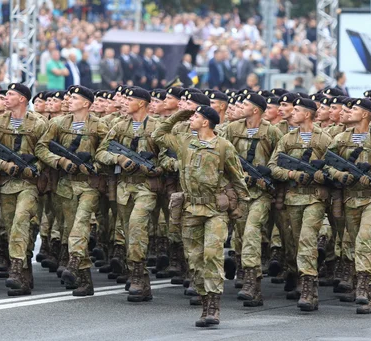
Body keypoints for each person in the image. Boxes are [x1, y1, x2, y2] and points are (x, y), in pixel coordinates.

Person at [152, 105, 249, 327]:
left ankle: (213, 307)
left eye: (195, 116)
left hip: (215, 210)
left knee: (212, 256)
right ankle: (205, 303)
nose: (191, 119)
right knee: (194, 260)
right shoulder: (185, 142)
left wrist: (240, 208)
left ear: (206, 122)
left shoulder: (223, 146)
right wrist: (180, 115)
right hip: (191, 209)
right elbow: (158, 134)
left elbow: (238, 178)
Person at [37, 85, 108, 296]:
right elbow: (41, 147)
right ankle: (85, 281)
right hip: (65, 185)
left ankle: (73, 264)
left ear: (86, 103)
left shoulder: (99, 126)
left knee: (80, 227)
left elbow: (107, 151)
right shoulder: (59, 123)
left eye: (74, 97)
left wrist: (95, 165)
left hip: (88, 185)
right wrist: (59, 161)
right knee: (71, 232)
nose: (69, 100)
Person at [325, 98, 371, 314]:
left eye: (354, 109)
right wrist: (341, 175)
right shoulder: (341, 138)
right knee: (355, 246)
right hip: (350, 200)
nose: (349, 111)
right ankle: (362, 290)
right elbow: (327, 163)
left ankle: (365, 291)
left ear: (365, 114)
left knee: (364, 243)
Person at [0, 83, 48, 296]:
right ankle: (24, 268)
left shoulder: (38, 123)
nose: (5, 98)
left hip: (28, 184)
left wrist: (36, 168)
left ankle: (16, 271)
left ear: (23, 99)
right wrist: (3, 165)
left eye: (11, 94)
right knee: (10, 230)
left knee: (20, 222)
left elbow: (45, 152)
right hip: (6, 183)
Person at [95, 88, 160, 302]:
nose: (125, 102)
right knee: (128, 231)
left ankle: (138, 276)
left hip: (146, 188)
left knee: (136, 228)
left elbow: (170, 156)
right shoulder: (120, 126)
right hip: (124, 188)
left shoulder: (156, 127)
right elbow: (101, 152)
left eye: (130, 99)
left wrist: (157, 168)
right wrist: (119, 159)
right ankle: (138, 277)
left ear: (142, 103)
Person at [267, 97, 332, 311]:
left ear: (307, 114)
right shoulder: (287, 139)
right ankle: (299, 278)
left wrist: (319, 176)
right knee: (295, 243)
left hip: (314, 198)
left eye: (296, 110)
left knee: (306, 240)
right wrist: (292, 173)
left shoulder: (325, 139)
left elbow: (334, 169)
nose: (291, 113)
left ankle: (308, 290)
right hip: (293, 198)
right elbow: (272, 167)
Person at [223, 93, 282, 306]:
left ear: (256, 109)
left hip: (261, 194)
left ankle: (252, 283)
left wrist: (268, 178)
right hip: (240, 194)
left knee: (251, 234)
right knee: (240, 236)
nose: (241, 106)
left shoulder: (272, 132)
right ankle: (245, 274)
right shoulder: (232, 129)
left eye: (246, 104)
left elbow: (279, 161)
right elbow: (223, 156)